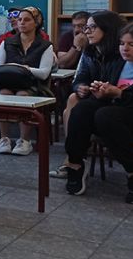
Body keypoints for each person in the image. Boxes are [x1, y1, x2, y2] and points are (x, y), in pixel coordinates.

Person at [60, 21, 133, 202]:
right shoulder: (116, 65)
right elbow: (107, 98)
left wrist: (120, 94)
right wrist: (99, 92)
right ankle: (75, 164)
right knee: (83, 107)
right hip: (113, 119)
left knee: (106, 115)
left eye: (131, 44)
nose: (124, 49)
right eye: (122, 43)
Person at [49, 10, 127, 179]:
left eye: (92, 27)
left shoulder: (121, 52)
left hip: (114, 100)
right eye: (86, 28)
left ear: (108, 29)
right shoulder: (89, 51)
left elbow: (120, 84)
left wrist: (101, 89)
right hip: (93, 97)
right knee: (73, 97)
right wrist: (81, 87)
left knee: (74, 106)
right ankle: (74, 158)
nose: (87, 32)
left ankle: (74, 160)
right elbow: (80, 77)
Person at [0, 7, 55, 156]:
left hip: (33, 84)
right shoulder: (7, 43)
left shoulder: (45, 45)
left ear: (36, 23)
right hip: (8, 81)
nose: (22, 23)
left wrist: (24, 69)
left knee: (23, 95)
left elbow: (44, 73)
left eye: (27, 20)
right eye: (19, 20)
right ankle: (4, 139)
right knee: (3, 93)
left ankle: (24, 140)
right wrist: (14, 68)